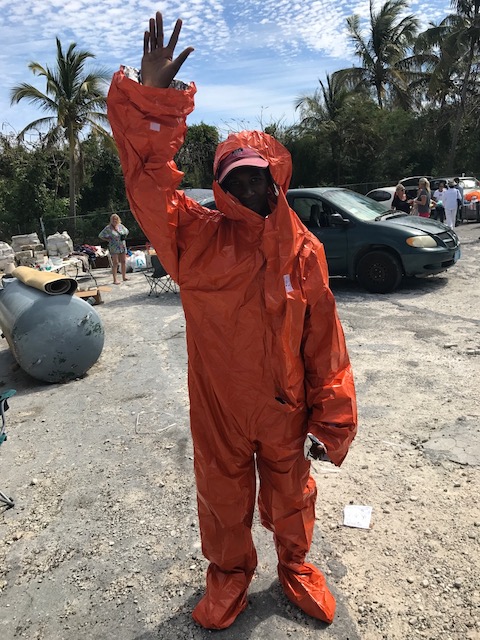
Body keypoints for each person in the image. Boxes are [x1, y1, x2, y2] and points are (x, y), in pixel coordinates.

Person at [107, 12, 357, 630]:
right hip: (218, 407)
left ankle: (296, 565)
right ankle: (227, 577)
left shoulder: (304, 251)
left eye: (257, 175)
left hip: (285, 406)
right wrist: (154, 100)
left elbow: (326, 341)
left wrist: (333, 415)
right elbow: (146, 181)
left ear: (277, 176)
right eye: (234, 178)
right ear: (219, 185)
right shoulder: (192, 239)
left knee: (292, 493)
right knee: (221, 499)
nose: (248, 189)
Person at [98, 213, 129, 284]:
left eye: (116, 219)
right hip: (114, 246)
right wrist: (108, 239)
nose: (114, 221)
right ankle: (115, 279)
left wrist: (123, 235)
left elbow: (127, 231)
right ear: (111, 220)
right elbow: (100, 235)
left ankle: (124, 277)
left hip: (122, 245)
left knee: (123, 261)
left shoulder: (121, 226)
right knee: (115, 262)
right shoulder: (108, 228)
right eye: (113, 219)